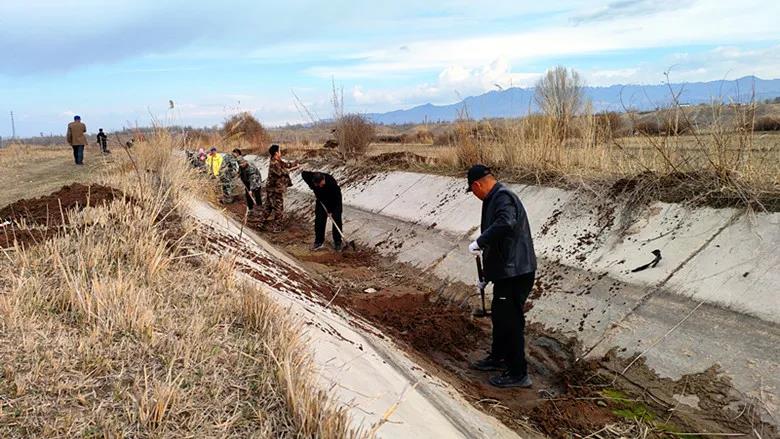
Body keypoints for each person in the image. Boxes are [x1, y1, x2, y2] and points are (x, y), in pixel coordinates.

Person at [466, 164, 537, 389]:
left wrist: (480, 241)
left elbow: (506, 223)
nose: (474, 195)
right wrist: (487, 274)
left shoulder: (503, 197)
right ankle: (497, 358)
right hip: (506, 271)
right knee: (499, 315)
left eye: (472, 191)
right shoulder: (493, 198)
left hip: (516, 272)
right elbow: (500, 242)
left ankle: (518, 374)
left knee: (511, 320)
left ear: (476, 185)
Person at [301, 171, 343, 251]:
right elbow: (303, 174)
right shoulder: (310, 177)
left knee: (336, 218)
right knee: (319, 219)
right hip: (321, 200)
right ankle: (318, 241)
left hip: (335, 199)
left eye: (321, 184)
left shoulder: (331, 183)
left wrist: (330, 210)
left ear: (323, 179)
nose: (320, 186)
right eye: (317, 185)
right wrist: (312, 186)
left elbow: (334, 199)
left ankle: (338, 242)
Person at [262, 144, 298, 232]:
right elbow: (281, 172)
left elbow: (286, 165)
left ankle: (260, 222)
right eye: (279, 151)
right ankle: (277, 227)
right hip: (275, 189)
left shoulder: (277, 161)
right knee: (278, 208)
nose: (280, 152)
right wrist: (294, 169)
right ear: (276, 153)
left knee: (268, 206)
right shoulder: (274, 163)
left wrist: (294, 163)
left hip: (273, 188)